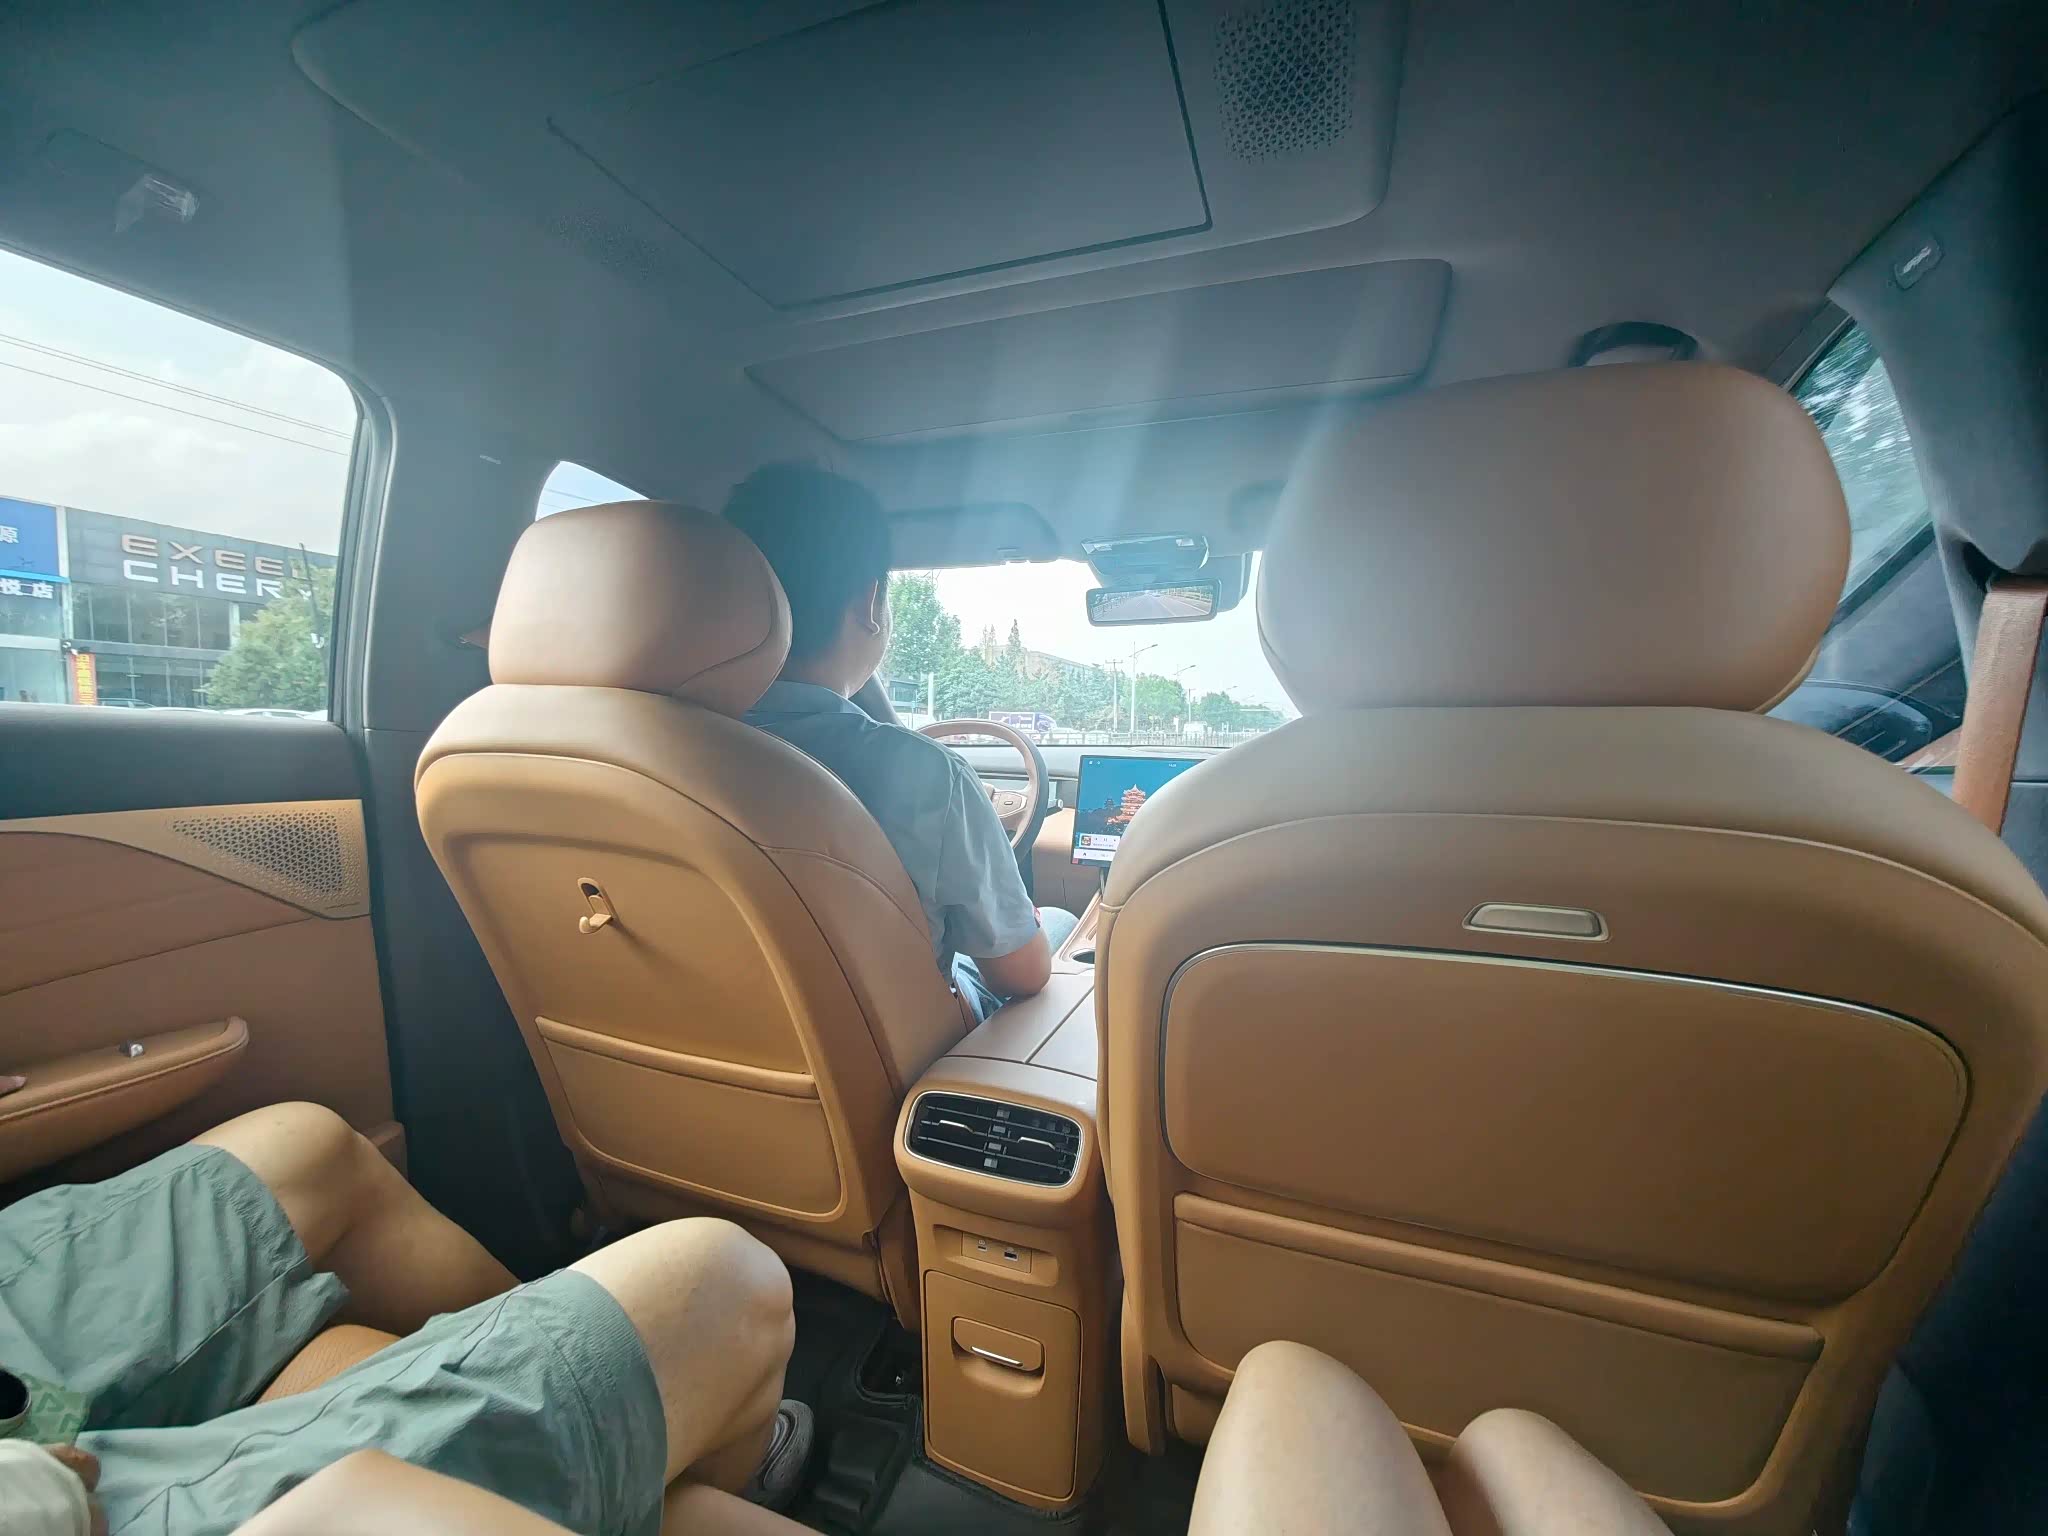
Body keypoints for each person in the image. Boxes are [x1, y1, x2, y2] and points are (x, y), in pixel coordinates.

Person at [0, 1103, 803, 1536]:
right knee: (723, 1285)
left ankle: (623, 1426)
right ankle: (665, 1446)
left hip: (25, 1436)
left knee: (304, 1148)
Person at [723, 463, 1076, 1021]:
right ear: (870, 604)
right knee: (1056, 923)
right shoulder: (929, 776)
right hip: (890, 1052)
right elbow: (1021, 975)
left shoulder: (657, 755)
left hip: (718, 1034)